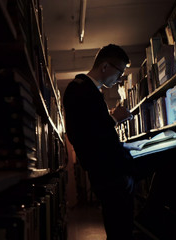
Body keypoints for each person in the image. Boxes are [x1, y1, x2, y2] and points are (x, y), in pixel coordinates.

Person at [63, 44, 139, 240]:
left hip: (108, 171)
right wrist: (114, 119)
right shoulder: (80, 89)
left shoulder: (89, 90)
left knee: (119, 226)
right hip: (108, 173)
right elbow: (83, 135)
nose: (120, 77)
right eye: (119, 71)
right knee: (119, 228)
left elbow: (92, 130)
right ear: (105, 66)